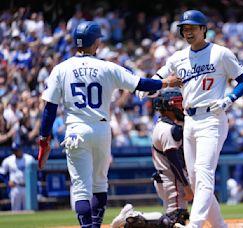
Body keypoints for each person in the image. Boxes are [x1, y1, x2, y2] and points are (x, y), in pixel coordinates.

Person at [37, 21, 181, 228]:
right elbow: (141, 84)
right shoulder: (107, 67)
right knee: (99, 184)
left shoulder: (61, 69)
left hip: (76, 130)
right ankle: (95, 225)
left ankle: (88, 227)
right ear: (96, 42)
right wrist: (166, 82)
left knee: (80, 188)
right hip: (101, 129)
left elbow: (49, 109)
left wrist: (44, 140)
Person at [150, 10, 243, 228]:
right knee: (195, 180)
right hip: (190, 120)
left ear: (204, 29)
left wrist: (229, 98)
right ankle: (219, 226)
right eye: (184, 29)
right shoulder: (178, 57)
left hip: (213, 118)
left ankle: (194, 225)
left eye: (192, 28)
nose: (188, 32)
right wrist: (146, 86)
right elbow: (158, 77)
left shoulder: (221, 53)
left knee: (204, 175)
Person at [111, 89, 193, 228]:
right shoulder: (168, 129)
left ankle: (133, 217)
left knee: (176, 218)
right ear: (168, 106)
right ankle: (134, 217)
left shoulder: (162, 124)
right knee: (176, 221)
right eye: (178, 103)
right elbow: (174, 162)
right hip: (172, 179)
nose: (182, 107)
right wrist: (186, 185)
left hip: (165, 178)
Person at [0, 143, 35, 211]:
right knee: (15, 210)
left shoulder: (29, 158)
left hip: (27, 187)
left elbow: (36, 172)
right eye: (14, 150)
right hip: (15, 188)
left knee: (29, 210)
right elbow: (1, 173)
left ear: (21, 149)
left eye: (17, 150)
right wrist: (7, 182)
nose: (15, 152)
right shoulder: (8, 160)